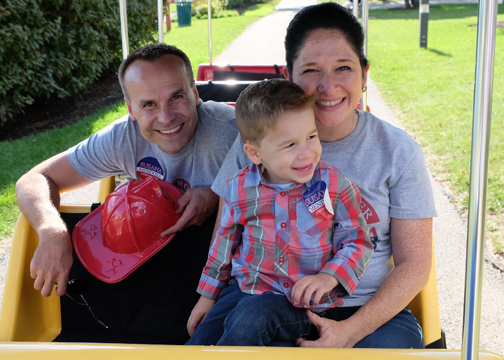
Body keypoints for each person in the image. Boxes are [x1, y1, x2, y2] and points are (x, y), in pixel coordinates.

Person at [210, 3, 437, 349]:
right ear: (288, 75)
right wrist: (207, 298)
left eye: (344, 68)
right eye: (312, 70)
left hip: (365, 305)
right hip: (264, 297)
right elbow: (225, 230)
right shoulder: (258, 143)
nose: (328, 86)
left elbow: (415, 264)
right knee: (201, 346)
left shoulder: (398, 152)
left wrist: (350, 332)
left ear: (365, 73)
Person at [15, 44, 238, 344]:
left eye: (177, 96)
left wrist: (218, 196)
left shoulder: (233, 131)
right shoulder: (122, 137)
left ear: (195, 94)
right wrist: (53, 232)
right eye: (148, 104)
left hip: (220, 270)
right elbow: (33, 180)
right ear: (130, 109)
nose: (166, 116)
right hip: (156, 275)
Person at [186, 79, 373, 346]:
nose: (306, 152)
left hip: (301, 302)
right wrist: (207, 296)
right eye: (289, 145)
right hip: (245, 289)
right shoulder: (239, 188)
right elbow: (223, 246)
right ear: (254, 153)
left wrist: (328, 276)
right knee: (200, 341)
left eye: (311, 136)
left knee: (251, 318)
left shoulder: (334, 184)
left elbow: (357, 240)